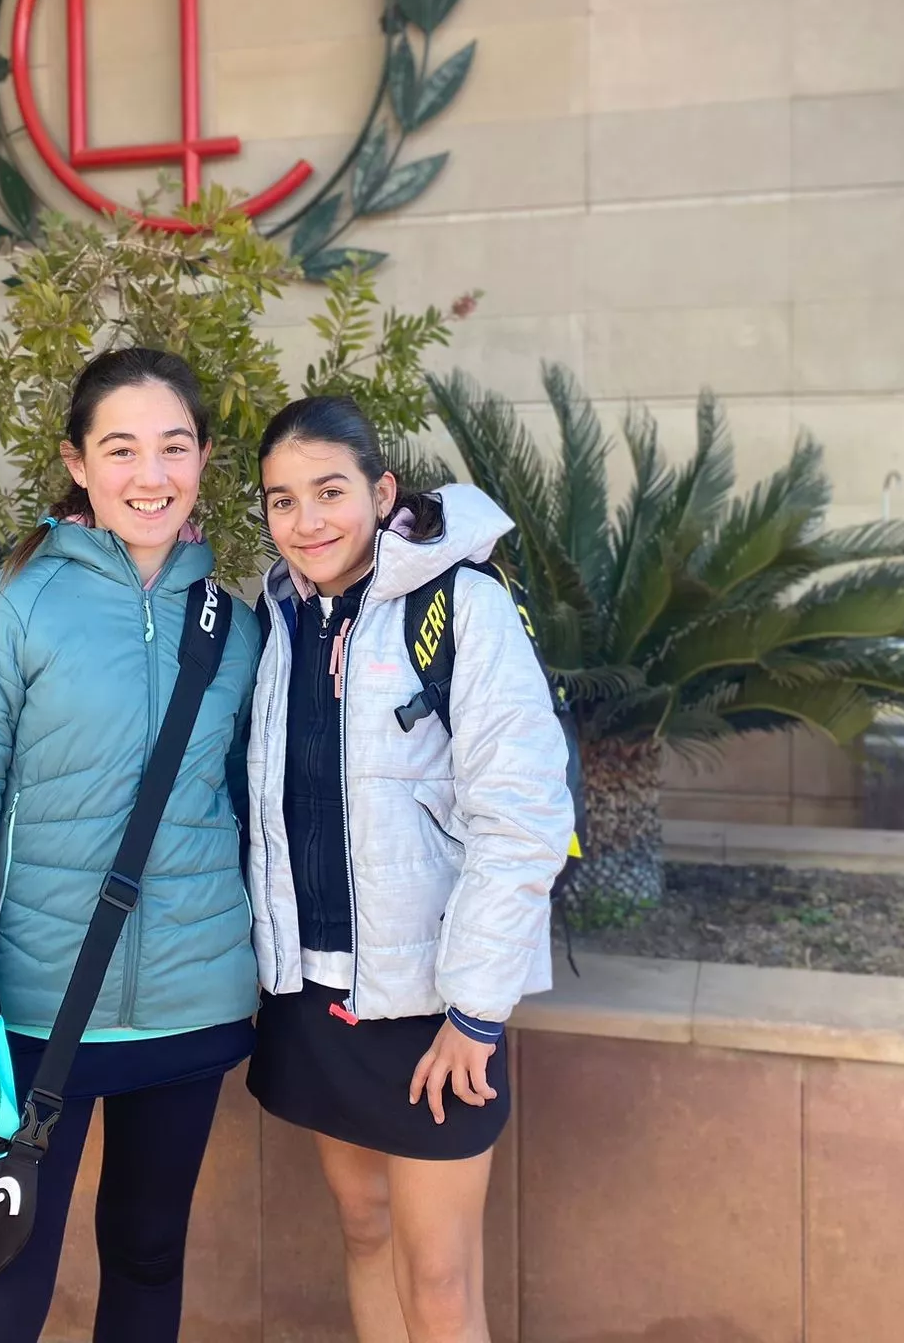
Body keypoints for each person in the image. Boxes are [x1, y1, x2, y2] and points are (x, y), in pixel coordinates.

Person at [0, 347, 263, 1343]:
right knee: (0, 1287)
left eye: (174, 447)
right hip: (41, 1017)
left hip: (192, 1009)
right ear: (76, 463)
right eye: (120, 449)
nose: (150, 475)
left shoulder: (238, 628)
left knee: (146, 1254)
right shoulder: (17, 605)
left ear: (204, 459)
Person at [244, 395, 576, 1343]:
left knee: (438, 1280)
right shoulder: (281, 617)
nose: (307, 521)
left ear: (382, 492)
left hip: (433, 1007)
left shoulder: (459, 604)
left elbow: (520, 817)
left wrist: (475, 1011)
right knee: (363, 1231)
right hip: (314, 996)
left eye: (329, 491)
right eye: (281, 500)